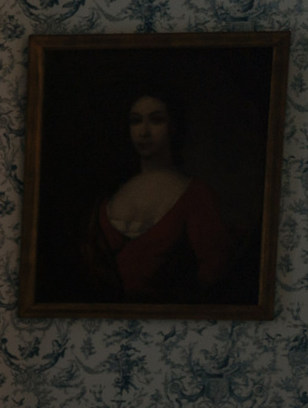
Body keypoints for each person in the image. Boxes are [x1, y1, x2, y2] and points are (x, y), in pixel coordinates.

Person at [79, 90, 232, 303]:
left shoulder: (196, 195)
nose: (144, 132)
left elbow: (214, 274)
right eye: (136, 121)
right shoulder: (109, 195)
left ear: (173, 126)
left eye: (156, 120)